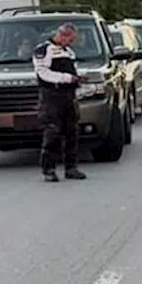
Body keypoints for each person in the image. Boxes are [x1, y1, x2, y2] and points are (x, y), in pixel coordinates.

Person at [33, 23, 89, 182]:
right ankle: (48, 169)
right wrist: (66, 78)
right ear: (63, 35)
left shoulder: (68, 52)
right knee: (52, 131)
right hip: (52, 95)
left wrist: (78, 78)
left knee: (72, 131)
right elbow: (43, 73)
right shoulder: (44, 49)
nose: (71, 43)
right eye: (70, 40)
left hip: (68, 96)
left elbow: (72, 71)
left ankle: (71, 168)